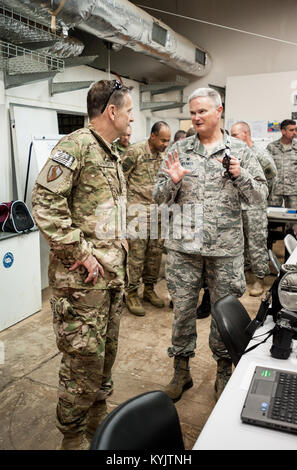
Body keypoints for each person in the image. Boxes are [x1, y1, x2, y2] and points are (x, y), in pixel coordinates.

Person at [31, 79, 134, 450]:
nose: (132, 118)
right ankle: (71, 438)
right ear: (112, 111)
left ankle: (97, 425)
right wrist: (81, 253)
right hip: (81, 284)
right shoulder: (75, 146)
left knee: (104, 356)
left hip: (109, 280)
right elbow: (44, 203)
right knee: (82, 364)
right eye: (129, 111)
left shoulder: (110, 152)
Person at [153, 88, 268, 401]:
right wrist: (172, 182)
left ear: (219, 111)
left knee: (222, 314)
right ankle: (181, 372)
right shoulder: (178, 149)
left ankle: (223, 370)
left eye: (202, 111)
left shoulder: (241, 151)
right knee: (183, 312)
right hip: (183, 249)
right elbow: (158, 198)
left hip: (225, 250)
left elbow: (259, 196)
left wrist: (241, 175)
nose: (196, 117)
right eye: (192, 112)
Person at [122, 121, 171, 316]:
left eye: (168, 140)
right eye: (163, 140)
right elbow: (120, 179)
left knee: (155, 254)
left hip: (157, 214)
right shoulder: (134, 152)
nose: (166, 144)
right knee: (136, 255)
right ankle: (131, 292)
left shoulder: (164, 156)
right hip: (137, 213)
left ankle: (149, 289)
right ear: (152, 136)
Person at [231, 121, 277, 296]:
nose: (232, 138)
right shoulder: (236, 152)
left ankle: (259, 279)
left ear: (246, 134)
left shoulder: (259, 153)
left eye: (235, 135)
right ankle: (242, 275)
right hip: (238, 205)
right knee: (240, 243)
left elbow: (272, 178)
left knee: (256, 244)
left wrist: (261, 198)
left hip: (254, 207)